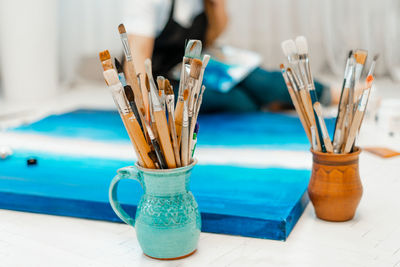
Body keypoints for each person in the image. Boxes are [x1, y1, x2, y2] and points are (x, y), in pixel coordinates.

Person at [123, 0, 333, 113]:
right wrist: (146, 109)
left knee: (260, 80)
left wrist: (218, 5)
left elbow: (211, 38)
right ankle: (267, 103)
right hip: (160, 80)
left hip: (193, 66)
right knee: (238, 100)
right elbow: (137, 62)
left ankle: (330, 94)